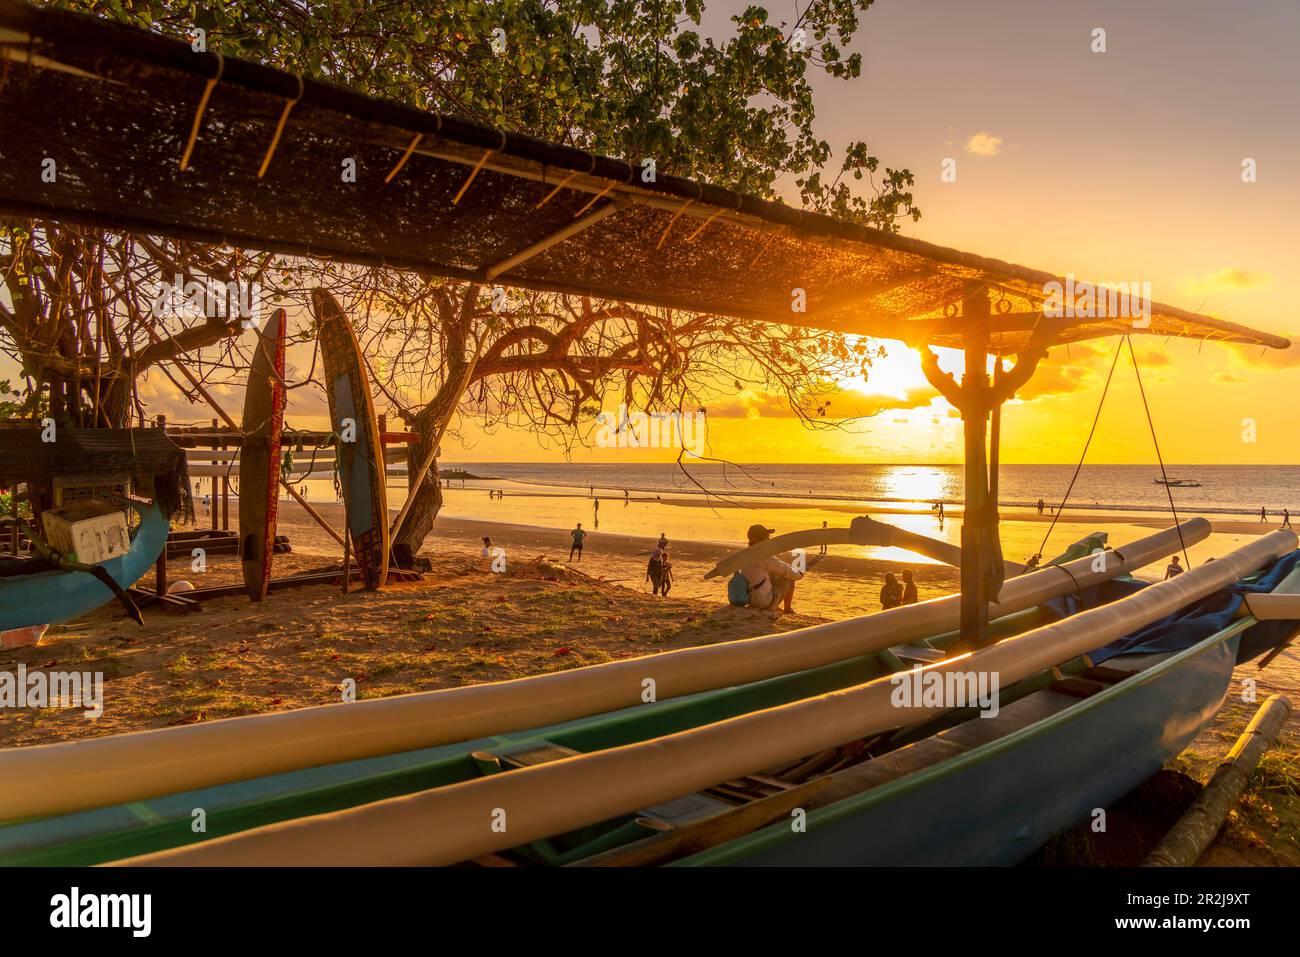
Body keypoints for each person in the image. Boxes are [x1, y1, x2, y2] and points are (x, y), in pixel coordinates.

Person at [740, 524, 803, 614]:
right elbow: (783, 569)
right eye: (767, 537)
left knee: (773, 573)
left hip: (751, 599)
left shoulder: (746, 553)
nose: (769, 539)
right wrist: (799, 574)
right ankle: (787, 609)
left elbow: (778, 566)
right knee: (789, 578)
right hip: (762, 602)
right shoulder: (761, 555)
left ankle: (774, 605)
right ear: (757, 540)